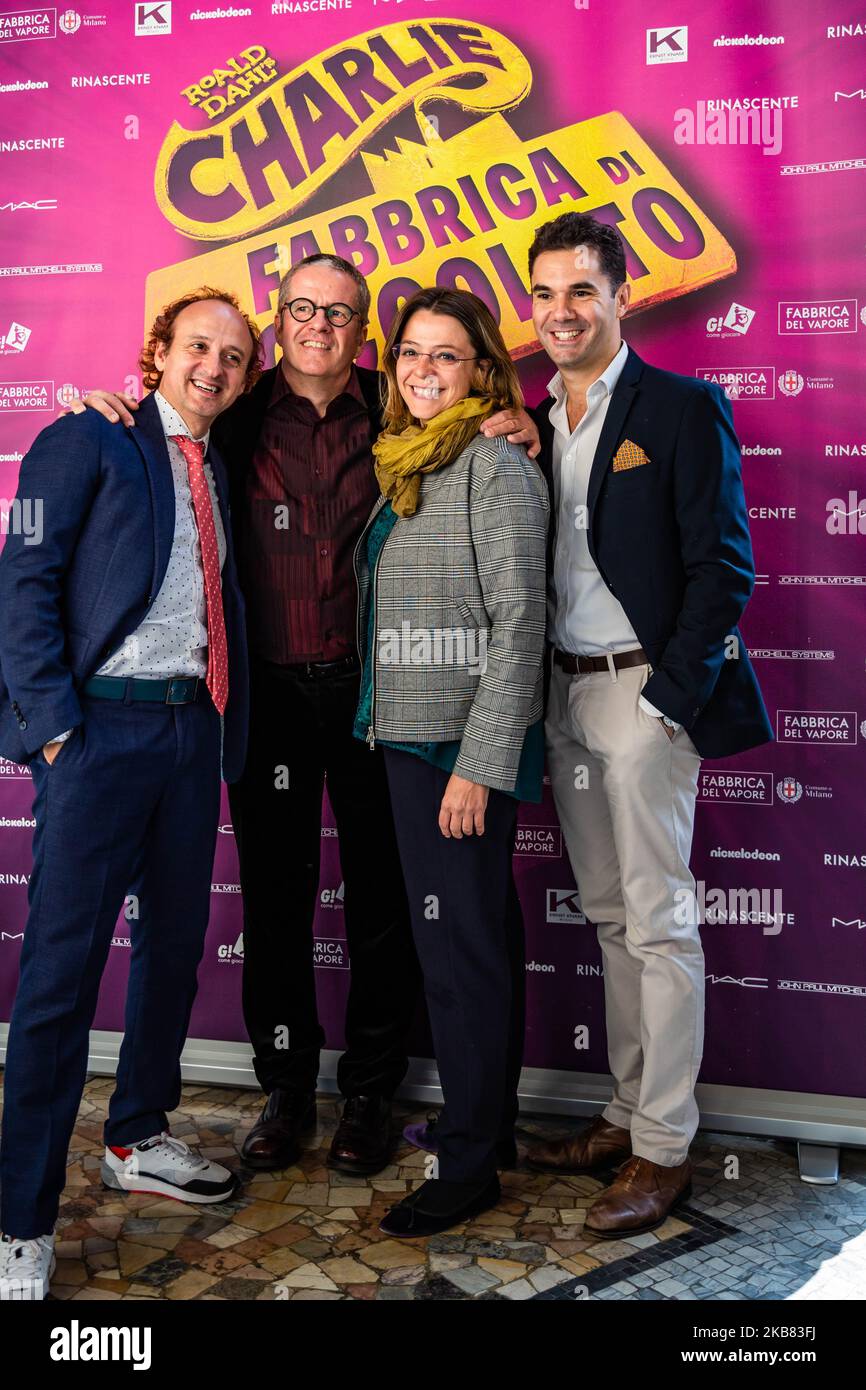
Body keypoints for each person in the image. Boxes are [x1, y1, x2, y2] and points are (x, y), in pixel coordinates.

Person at [75, 255, 541, 1177]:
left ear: (364, 332)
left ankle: (371, 1092)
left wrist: (524, 425)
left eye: (339, 312)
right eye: (300, 308)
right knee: (277, 904)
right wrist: (110, 408)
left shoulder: (405, 409)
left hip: (380, 702)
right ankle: (286, 1090)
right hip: (270, 698)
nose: (318, 325)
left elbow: (497, 487)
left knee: (384, 905)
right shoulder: (233, 417)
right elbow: (155, 432)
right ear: (278, 322)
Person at [0, 289, 260, 1299]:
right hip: (99, 734)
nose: (214, 367)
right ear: (157, 351)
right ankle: (20, 1218)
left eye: (234, 357)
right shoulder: (85, 437)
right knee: (60, 979)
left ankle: (137, 1133)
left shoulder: (218, 465)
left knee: (172, 947)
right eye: (198, 346)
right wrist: (57, 729)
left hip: (192, 729)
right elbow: (20, 583)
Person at [522, 213, 772, 1237]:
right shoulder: (525, 423)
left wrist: (667, 702)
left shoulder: (679, 408)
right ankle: (624, 1115)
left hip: (641, 698)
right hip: (561, 696)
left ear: (620, 295)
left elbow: (724, 568)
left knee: (659, 920)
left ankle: (663, 1146)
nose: (559, 312)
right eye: (542, 294)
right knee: (611, 915)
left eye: (580, 291)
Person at [353, 287, 549, 1237]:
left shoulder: (494, 467)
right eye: (412, 356)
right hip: (410, 736)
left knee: (457, 957)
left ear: (483, 371)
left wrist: (479, 764)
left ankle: (467, 1165)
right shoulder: (412, 463)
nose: (426, 372)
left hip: (453, 750)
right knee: (476, 942)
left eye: (448, 357)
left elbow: (520, 625)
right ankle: (489, 1126)